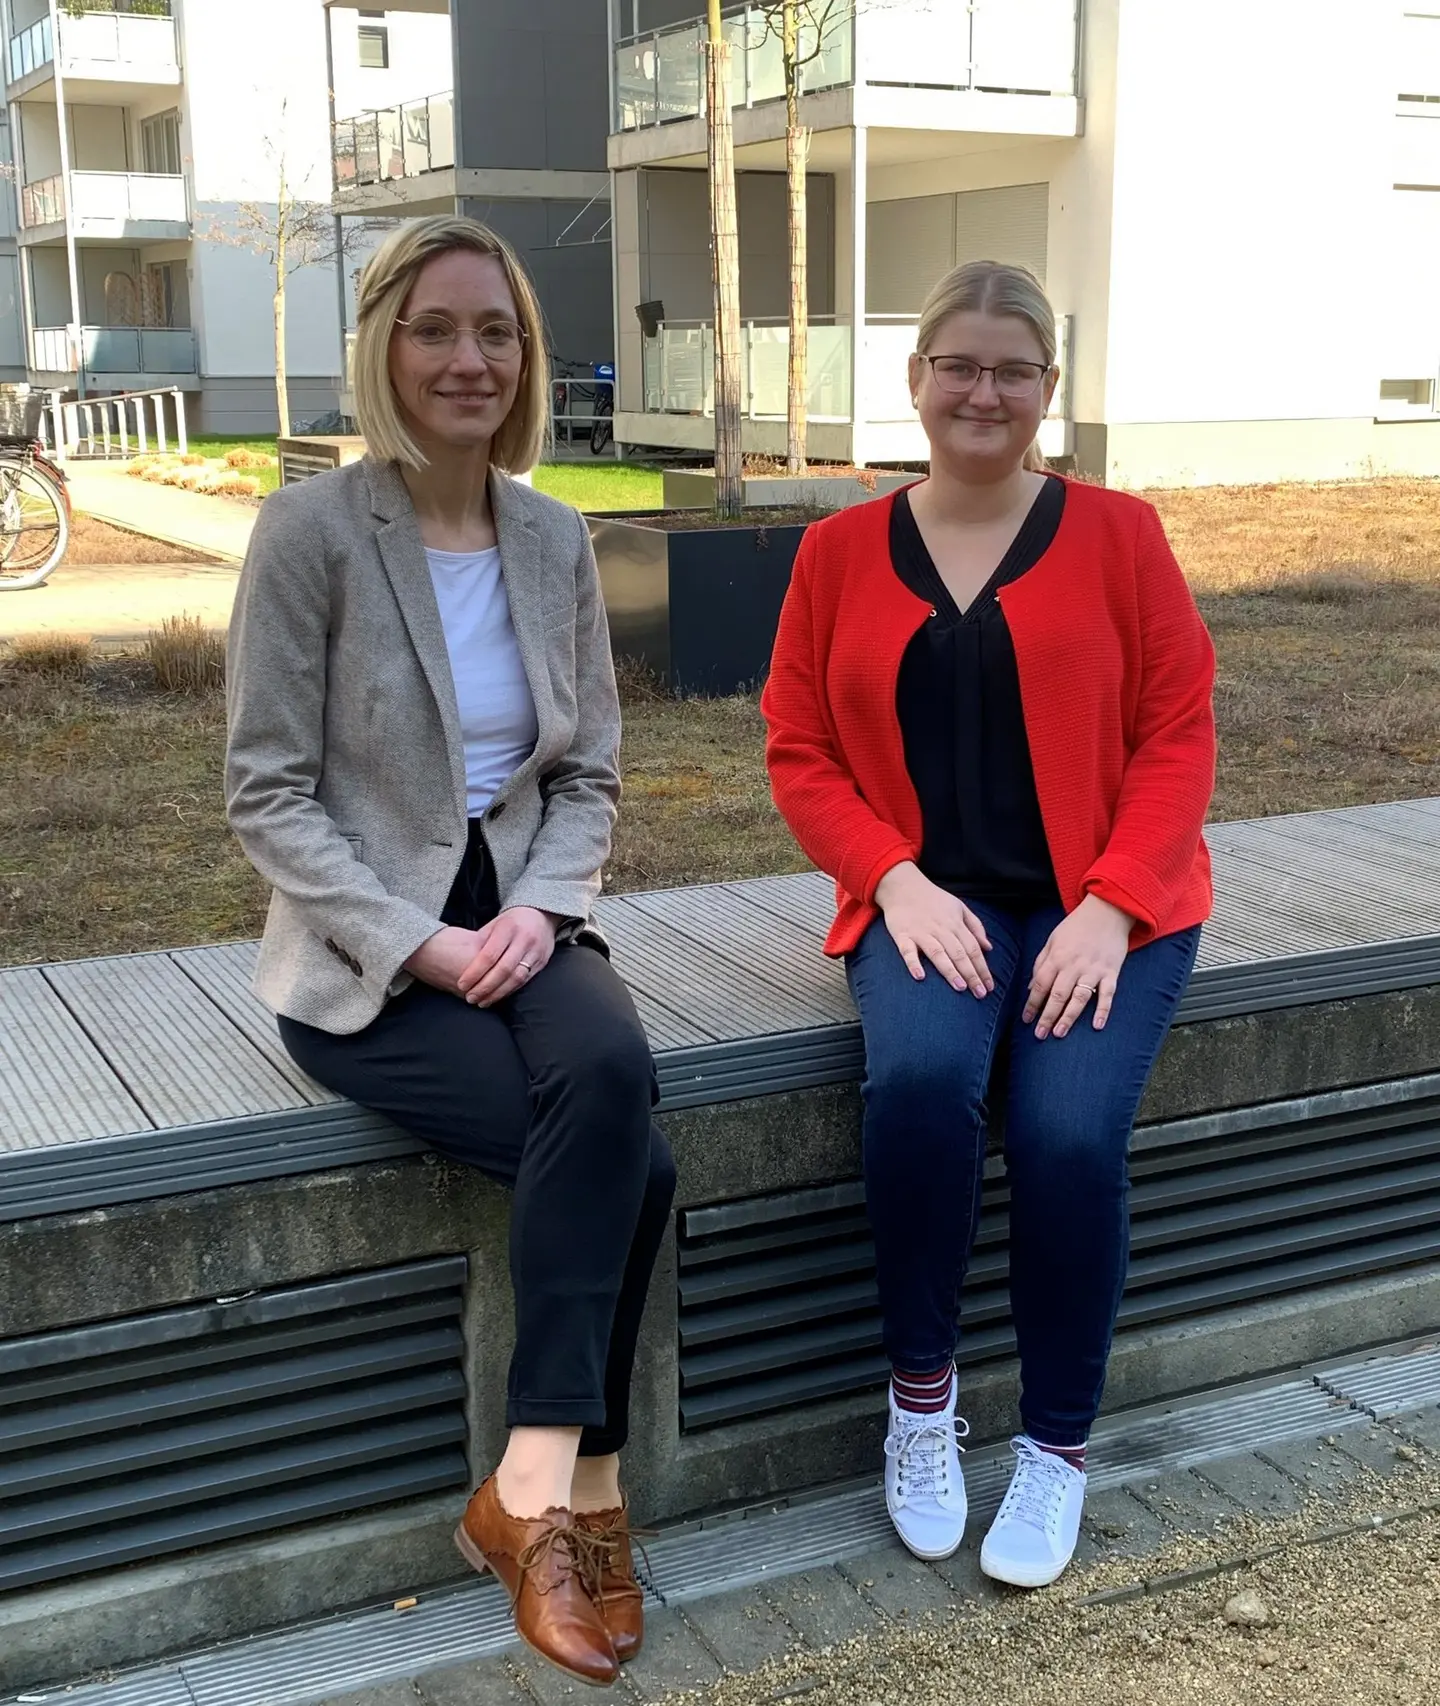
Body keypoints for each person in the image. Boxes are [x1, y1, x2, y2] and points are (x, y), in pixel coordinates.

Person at [225, 215, 674, 1687]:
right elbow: (267, 791)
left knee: (607, 1072)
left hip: (528, 907)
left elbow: (590, 771)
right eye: (438, 330)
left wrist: (542, 907)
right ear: (386, 348)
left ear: (526, 356)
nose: (470, 358)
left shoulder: (553, 537)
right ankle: (589, 1498)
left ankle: (533, 1488)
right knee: (633, 1158)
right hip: (367, 948)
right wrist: (420, 941)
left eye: (496, 332)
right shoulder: (311, 533)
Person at [761, 260, 1216, 1588]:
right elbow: (798, 748)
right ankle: (920, 1402)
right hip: (924, 900)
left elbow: (1179, 736)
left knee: (1069, 1128)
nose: (983, 390)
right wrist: (891, 879)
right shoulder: (838, 549)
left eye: (1013, 369)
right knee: (916, 1081)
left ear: (1048, 391)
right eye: (957, 364)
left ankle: (1058, 1449)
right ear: (914, 382)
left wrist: (1112, 905)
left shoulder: (1123, 535)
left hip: (1105, 901)